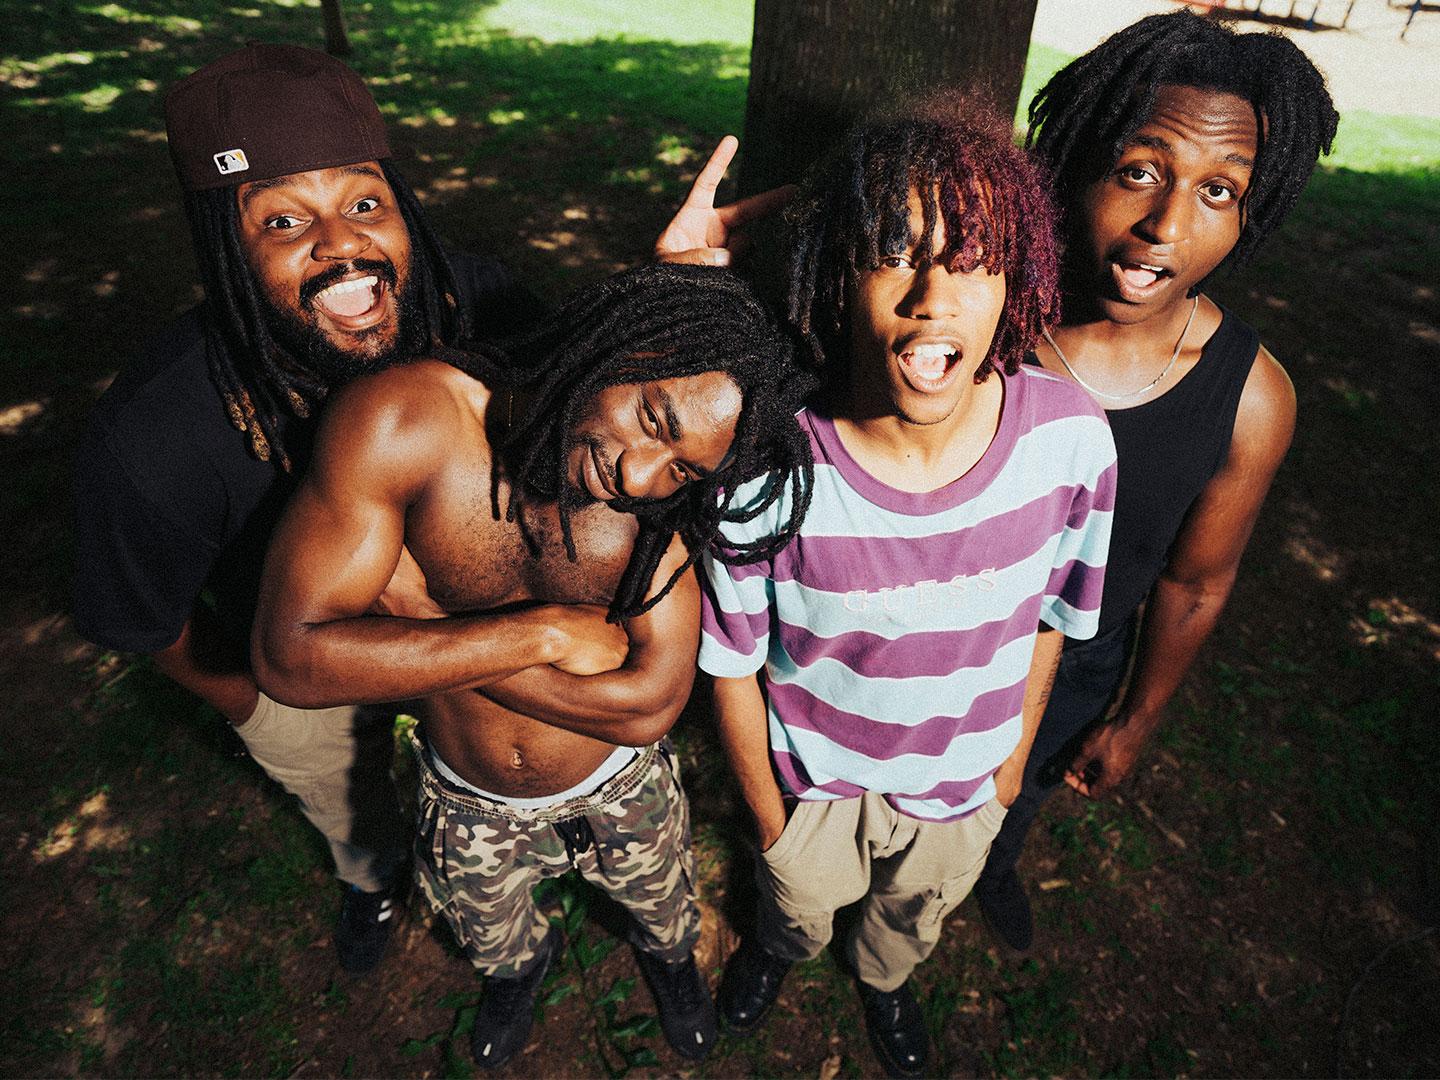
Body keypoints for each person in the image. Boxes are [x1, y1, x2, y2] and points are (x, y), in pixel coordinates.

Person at [251, 263, 815, 1068]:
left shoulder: (658, 514)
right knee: (491, 934)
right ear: (614, 346)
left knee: (663, 908)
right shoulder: (406, 422)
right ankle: (519, 975)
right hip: (465, 790)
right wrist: (543, 634)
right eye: (653, 419)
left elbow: (650, 706)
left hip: (619, 784)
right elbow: (289, 657)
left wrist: (422, 624)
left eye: (684, 470)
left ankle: (670, 966)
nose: (640, 477)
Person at [70, 43, 548, 975]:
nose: (342, 244)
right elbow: (144, 620)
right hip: (301, 672)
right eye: (284, 220)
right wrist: (256, 705)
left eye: (364, 202)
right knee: (355, 808)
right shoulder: (152, 437)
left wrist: (673, 293)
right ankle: (373, 879)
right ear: (224, 248)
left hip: (474, 625)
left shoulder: (480, 302)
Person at [696, 99, 1118, 1078]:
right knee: (800, 910)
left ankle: (884, 982)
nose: (937, 297)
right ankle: (780, 949)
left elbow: (1056, 615)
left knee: (907, 923)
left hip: (963, 790)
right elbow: (731, 661)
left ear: (1018, 277)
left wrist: (1007, 772)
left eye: (974, 258)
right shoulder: (770, 464)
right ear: (840, 273)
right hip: (810, 790)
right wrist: (771, 822)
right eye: (896, 252)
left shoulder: (1071, 441)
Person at [972, 11, 1339, 953]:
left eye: (1219, 190)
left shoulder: (1251, 398)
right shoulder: (981, 313)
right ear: (1082, 159)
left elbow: (1196, 581)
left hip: (1079, 662)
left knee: (1010, 810)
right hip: (926, 626)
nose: (1166, 225)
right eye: (1141, 170)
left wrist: (1135, 718)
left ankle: (995, 869)